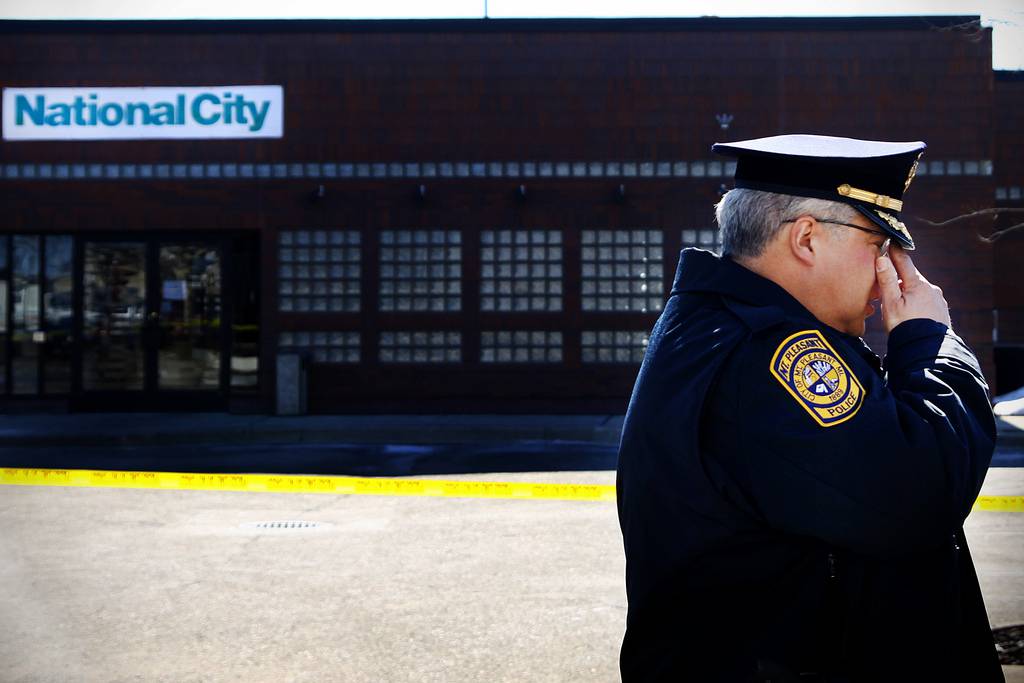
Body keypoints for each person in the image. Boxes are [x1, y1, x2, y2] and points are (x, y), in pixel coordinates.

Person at [616, 134, 1002, 682]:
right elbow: (919, 489)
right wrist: (931, 342)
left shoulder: (736, 326)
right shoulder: (767, 351)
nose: (891, 272)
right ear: (806, 238)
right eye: (879, 243)